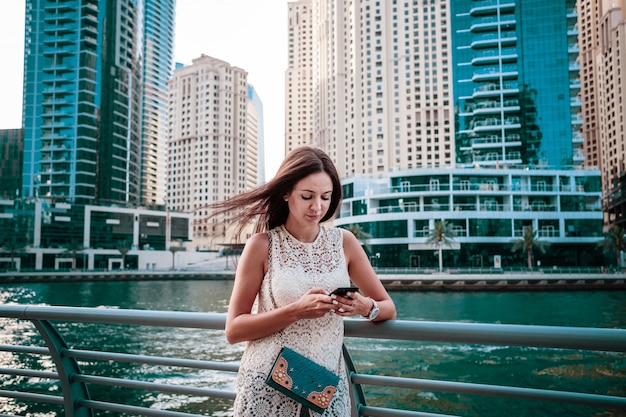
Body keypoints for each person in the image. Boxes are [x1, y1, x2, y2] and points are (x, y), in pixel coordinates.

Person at [218, 146, 396, 416]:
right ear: (286, 193)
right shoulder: (261, 245)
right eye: (307, 196)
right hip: (266, 389)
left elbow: (388, 307)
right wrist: (296, 311)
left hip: (324, 391)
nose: (318, 206)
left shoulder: (344, 242)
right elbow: (234, 329)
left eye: (326, 197)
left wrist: (363, 307)